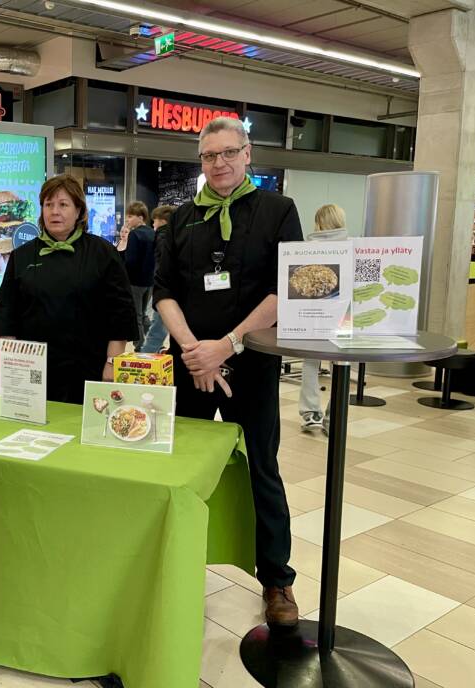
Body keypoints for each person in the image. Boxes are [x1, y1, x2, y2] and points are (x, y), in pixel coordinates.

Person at [152, 116, 304, 627]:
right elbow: (164, 292)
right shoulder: (181, 219)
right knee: (181, 469)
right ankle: (174, 565)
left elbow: (286, 290)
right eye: (208, 155)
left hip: (254, 364)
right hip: (190, 364)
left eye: (227, 153)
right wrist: (195, 350)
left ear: (247, 154)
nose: (218, 163)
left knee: (261, 467)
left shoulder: (278, 211)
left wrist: (228, 346)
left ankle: (277, 581)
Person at [0, 174, 139, 404]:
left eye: (63, 204)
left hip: (87, 367)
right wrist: (13, 364)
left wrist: (112, 363)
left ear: (79, 211)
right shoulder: (22, 255)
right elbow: (5, 310)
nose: (54, 211)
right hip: (33, 371)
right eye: (48, 205)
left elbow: (121, 313)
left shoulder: (102, 253)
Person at [299, 204, 347, 434]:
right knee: (340, 366)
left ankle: (310, 413)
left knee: (310, 363)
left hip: (313, 316)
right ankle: (333, 416)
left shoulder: (308, 248)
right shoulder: (352, 248)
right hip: (343, 317)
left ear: (318, 222)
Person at [138, 205, 175, 353]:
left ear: (163, 221)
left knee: (157, 328)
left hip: (164, 288)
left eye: (155, 221)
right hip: (171, 288)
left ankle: (143, 361)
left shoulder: (162, 237)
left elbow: (162, 265)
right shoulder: (175, 236)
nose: (153, 224)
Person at [123, 201, 156, 350]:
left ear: (141, 217)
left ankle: (140, 345)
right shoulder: (152, 233)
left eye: (130, 216)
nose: (127, 220)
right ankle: (151, 339)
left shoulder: (135, 235)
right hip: (149, 281)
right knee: (143, 313)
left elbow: (130, 260)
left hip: (135, 281)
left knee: (136, 315)